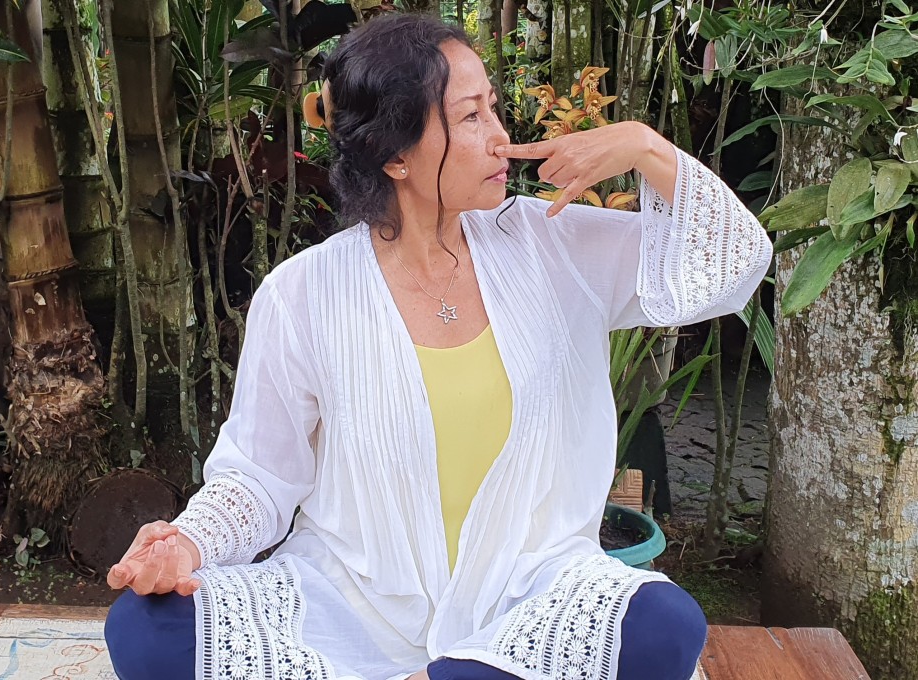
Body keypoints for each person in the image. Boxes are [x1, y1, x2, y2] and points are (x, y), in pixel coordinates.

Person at [103, 13, 771, 680]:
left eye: (494, 108)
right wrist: (186, 544)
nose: (501, 137)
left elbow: (732, 263)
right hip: (351, 605)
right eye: (471, 116)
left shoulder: (553, 244)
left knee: (662, 629)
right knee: (146, 627)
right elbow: (258, 476)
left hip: (526, 595)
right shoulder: (302, 295)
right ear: (397, 154)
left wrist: (642, 146)